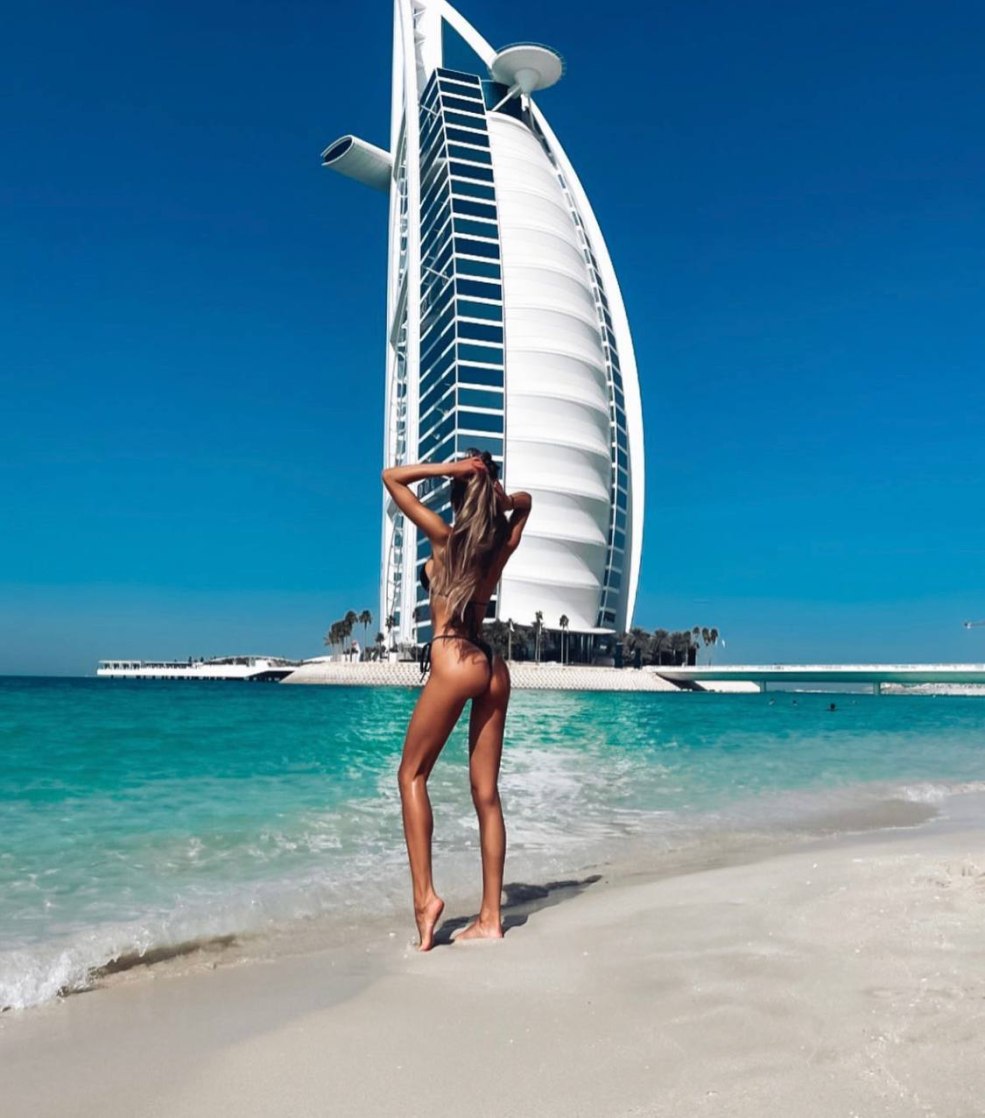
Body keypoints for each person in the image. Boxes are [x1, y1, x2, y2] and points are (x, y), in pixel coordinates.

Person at [382, 450, 532, 950]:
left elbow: (391, 479)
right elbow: (526, 504)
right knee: (486, 794)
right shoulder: (496, 549)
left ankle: (425, 898)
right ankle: (491, 918)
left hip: (452, 656)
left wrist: (451, 470)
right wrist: (498, 497)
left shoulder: (445, 540)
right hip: (491, 665)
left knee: (411, 775)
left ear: (458, 489)